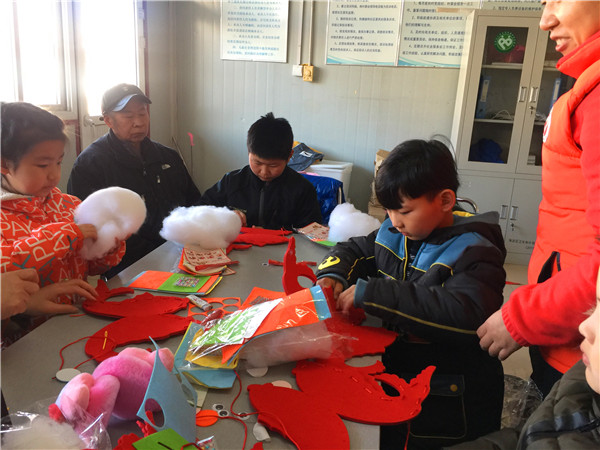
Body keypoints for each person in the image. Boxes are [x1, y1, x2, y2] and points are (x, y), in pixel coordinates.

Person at [316, 139, 506, 449]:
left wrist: (376, 294)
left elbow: (464, 314)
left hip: (448, 396)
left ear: (445, 201)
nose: (394, 220)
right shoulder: (396, 231)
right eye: (388, 210)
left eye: (404, 210)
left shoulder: (476, 250)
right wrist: (333, 274)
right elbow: (355, 249)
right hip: (400, 374)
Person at [477, 0, 600, 397]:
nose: (545, 20)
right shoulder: (589, 89)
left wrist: (523, 318)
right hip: (568, 330)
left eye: (557, 0)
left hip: (583, 353)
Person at [449, 261, 600, 450]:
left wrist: (522, 317)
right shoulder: (577, 382)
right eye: (597, 304)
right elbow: (537, 433)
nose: (583, 326)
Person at [1, 102, 118, 340]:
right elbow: (7, 265)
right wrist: (64, 236)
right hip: (27, 340)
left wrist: (108, 244)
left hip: (79, 322)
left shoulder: (69, 205)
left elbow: (93, 266)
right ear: (4, 164)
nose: (54, 175)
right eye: (43, 165)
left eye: (59, 162)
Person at [67, 83, 201, 277]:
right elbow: (91, 228)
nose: (138, 122)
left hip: (181, 255)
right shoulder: (91, 164)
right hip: (128, 267)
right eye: (128, 116)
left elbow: (193, 202)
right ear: (108, 120)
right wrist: (158, 255)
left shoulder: (168, 157)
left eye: (142, 113)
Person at [198, 112, 322, 230]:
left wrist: (271, 233)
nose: (264, 172)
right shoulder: (232, 182)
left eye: (273, 165)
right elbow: (199, 212)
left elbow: (312, 231)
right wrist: (224, 216)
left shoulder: (302, 190)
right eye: (257, 163)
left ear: (289, 156)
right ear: (249, 152)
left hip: (284, 245)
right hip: (237, 244)